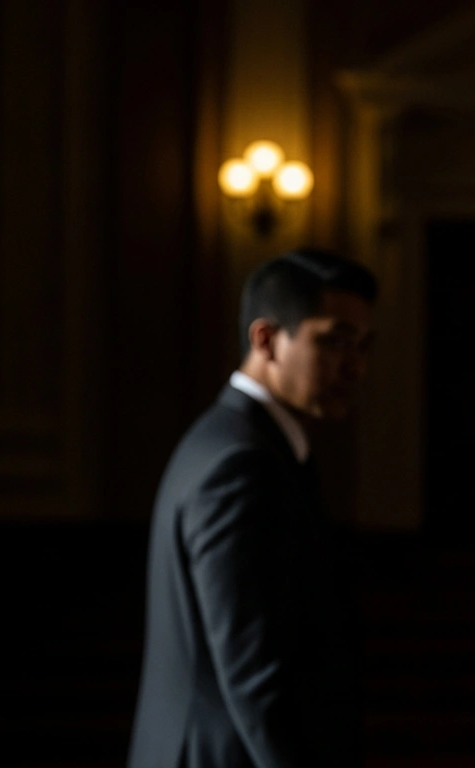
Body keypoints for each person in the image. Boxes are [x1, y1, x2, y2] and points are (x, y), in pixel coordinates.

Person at [129, 248, 378, 767]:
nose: (354, 365)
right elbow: (256, 676)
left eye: (362, 344)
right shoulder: (239, 462)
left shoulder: (239, 442)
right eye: (333, 340)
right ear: (266, 339)